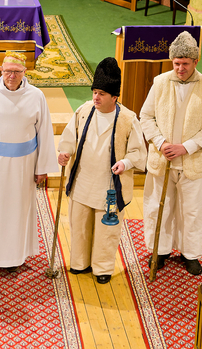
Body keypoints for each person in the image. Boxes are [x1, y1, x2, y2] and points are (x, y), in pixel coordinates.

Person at [56, 58, 147, 284]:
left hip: (109, 187)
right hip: (82, 182)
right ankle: (79, 263)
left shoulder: (128, 119)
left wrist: (125, 163)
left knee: (107, 232)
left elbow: (138, 152)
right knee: (80, 226)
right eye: (95, 92)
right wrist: (64, 152)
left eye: (102, 94)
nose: (96, 97)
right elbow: (69, 138)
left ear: (114, 97)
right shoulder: (84, 111)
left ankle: (102, 268)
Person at [0, 51, 58, 271]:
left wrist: (42, 168)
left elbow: (44, 132)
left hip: (23, 166)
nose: (12, 76)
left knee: (17, 210)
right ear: (1, 70)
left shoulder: (36, 96)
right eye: (8, 71)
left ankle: (14, 258)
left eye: (17, 72)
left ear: (25, 72)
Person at [140, 31, 202, 276]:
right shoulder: (160, 83)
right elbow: (146, 116)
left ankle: (190, 254)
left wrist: (186, 147)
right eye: (176, 63)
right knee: (158, 208)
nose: (180, 69)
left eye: (185, 64)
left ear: (196, 61)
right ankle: (160, 250)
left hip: (192, 162)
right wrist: (160, 142)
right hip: (162, 159)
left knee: (192, 211)